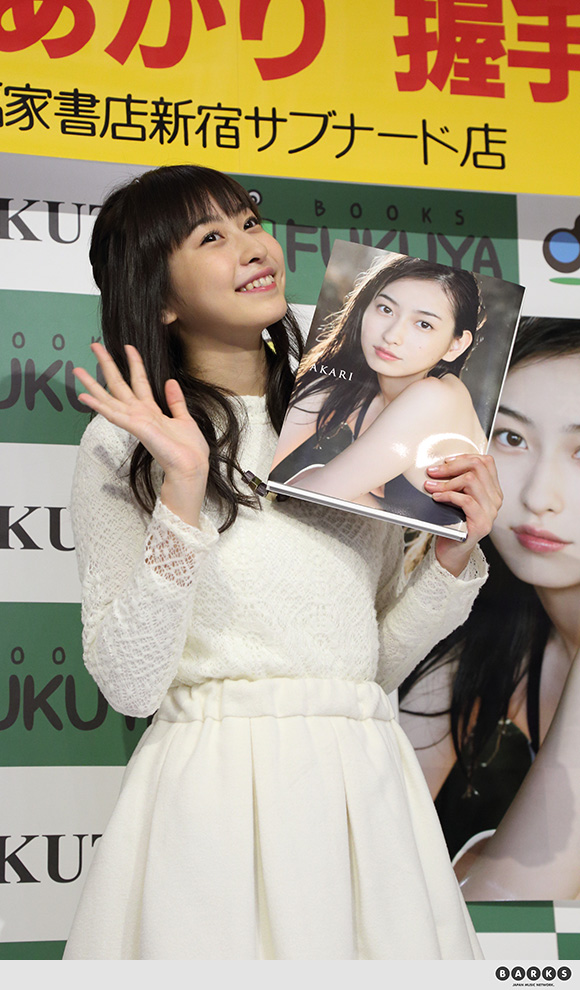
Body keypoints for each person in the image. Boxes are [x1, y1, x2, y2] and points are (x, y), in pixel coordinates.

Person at [62, 164, 502, 960]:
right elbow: (130, 684)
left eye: (249, 221)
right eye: (212, 237)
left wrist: (453, 552)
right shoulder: (125, 443)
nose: (253, 246)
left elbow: (370, 665)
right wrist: (183, 494)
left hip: (364, 791)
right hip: (216, 796)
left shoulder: (350, 412)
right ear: (160, 297)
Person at [399, 317, 580, 900]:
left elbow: (522, 904)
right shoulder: (481, 641)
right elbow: (343, 855)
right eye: (511, 438)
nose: (538, 497)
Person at [269, 255, 487, 529]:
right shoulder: (351, 385)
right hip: (384, 545)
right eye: (386, 309)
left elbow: (314, 493)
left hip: (446, 552)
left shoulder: (435, 397)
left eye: (423, 324)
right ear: (364, 308)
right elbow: (263, 455)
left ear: (456, 345)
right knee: (309, 474)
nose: (392, 335)